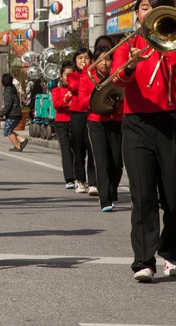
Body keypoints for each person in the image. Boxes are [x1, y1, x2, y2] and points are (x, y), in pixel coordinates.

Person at [111, 0, 176, 282]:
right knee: (142, 194)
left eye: (154, 7)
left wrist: (166, 44)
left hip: (170, 121)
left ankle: (172, 251)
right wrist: (130, 63)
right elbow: (118, 79)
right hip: (136, 123)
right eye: (144, 7)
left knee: (173, 195)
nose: (148, 12)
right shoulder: (128, 44)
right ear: (137, 13)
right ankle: (143, 260)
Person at [79, 45, 123, 211]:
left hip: (116, 120)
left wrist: (117, 102)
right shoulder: (87, 78)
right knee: (102, 160)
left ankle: (111, 192)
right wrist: (94, 98)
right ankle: (105, 199)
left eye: (108, 59)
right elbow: (81, 102)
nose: (104, 63)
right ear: (94, 62)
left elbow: (125, 99)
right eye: (100, 59)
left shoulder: (117, 77)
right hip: (96, 122)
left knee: (117, 162)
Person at [67, 48, 95, 193]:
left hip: (91, 113)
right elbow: (74, 88)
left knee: (92, 147)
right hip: (78, 114)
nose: (83, 61)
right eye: (80, 58)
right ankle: (79, 179)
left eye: (86, 58)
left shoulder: (94, 74)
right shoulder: (72, 76)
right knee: (78, 148)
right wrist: (85, 72)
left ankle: (93, 182)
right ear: (75, 61)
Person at [51, 63, 76, 189]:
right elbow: (57, 104)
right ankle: (70, 178)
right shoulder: (56, 91)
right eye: (66, 75)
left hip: (76, 121)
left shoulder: (77, 90)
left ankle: (79, 176)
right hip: (61, 122)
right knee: (66, 149)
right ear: (61, 77)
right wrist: (66, 101)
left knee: (77, 149)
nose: (69, 77)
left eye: (71, 74)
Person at [1, 73, 26, 151]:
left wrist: (1, 113)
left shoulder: (8, 91)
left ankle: (17, 146)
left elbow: (8, 104)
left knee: (7, 130)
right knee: (8, 130)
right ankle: (22, 140)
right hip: (16, 113)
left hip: (13, 114)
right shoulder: (12, 88)